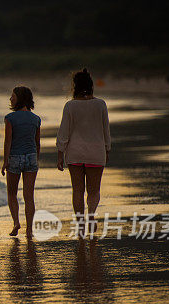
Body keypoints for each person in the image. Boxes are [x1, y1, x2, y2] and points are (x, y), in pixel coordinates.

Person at [56, 68, 111, 237]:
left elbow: (64, 132)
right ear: (91, 85)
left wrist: (60, 153)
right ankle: (92, 216)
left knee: (78, 190)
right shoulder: (100, 104)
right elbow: (105, 130)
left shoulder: (70, 105)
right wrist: (107, 149)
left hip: (75, 154)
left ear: (75, 86)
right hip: (96, 152)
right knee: (94, 190)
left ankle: (80, 225)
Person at [1, 86, 41, 238]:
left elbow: (8, 142)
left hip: (15, 157)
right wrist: (36, 159)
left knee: (12, 193)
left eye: (13, 96)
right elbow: (37, 143)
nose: (10, 99)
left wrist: (5, 161)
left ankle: (16, 222)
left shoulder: (10, 118)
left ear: (19, 99)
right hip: (31, 156)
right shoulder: (36, 118)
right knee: (29, 195)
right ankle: (29, 229)